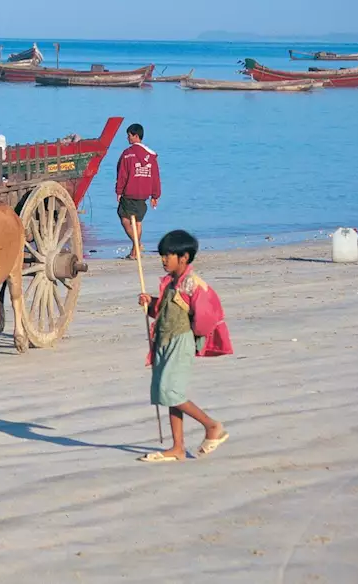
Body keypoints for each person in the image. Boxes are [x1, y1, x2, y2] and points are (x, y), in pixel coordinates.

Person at [137, 230, 233, 463]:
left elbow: (206, 317)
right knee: (167, 392)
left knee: (171, 392)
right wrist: (150, 304)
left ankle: (212, 426)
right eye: (162, 256)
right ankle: (178, 447)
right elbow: (162, 313)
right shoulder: (171, 283)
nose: (163, 260)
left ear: (184, 257)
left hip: (181, 341)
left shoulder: (193, 284)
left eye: (167, 256)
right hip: (164, 340)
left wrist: (194, 335)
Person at [116, 122, 161, 260]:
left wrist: (118, 191)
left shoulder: (127, 154)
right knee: (138, 223)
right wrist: (155, 195)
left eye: (129, 135)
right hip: (143, 194)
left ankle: (137, 244)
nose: (127, 138)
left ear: (136, 136)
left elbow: (122, 174)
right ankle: (135, 253)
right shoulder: (151, 155)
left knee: (124, 218)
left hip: (130, 192)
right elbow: (155, 176)